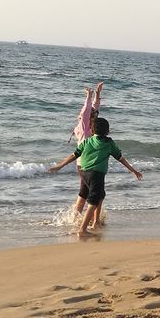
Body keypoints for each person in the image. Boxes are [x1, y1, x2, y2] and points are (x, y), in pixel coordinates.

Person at [49, 116, 142, 237]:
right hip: (97, 174)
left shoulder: (86, 141)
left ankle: (96, 222)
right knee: (93, 201)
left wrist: (59, 166)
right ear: (107, 131)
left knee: (100, 195)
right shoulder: (109, 143)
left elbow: (74, 155)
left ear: (92, 130)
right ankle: (82, 229)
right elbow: (120, 158)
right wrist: (133, 171)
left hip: (84, 173)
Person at [72, 82, 102, 224]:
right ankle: (91, 221)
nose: (95, 117)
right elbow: (87, 111)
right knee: (94, 193)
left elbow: (94, 109)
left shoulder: (90, 126)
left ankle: (75, 217)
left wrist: (97, 94)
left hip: (86, 164)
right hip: (85, 164)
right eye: (93, 116)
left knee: (84, 191)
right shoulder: (84, 128)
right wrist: (89, 96)